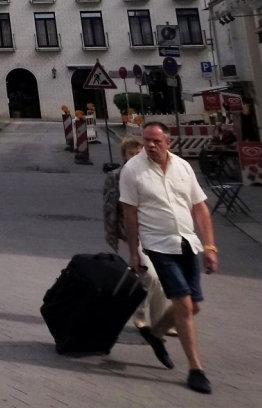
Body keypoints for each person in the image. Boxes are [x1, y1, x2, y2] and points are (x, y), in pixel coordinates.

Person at [121, 123, 219, 395]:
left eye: (156, 141)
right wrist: (133, 251)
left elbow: (200, 207)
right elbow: (129, 213)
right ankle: (196, 369)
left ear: (168, 142)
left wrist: (210, 247)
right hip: (157, 245)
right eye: (147, 141)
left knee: (194, 306)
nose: (151, 146)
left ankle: (154, 334)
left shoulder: (183, 167)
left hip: (187, 242)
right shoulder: (132, 170)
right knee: (185, 307)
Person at [104, 136, 174, 368]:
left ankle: (158, 322)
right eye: (130, 154)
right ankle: (143, 319)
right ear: (124, 155)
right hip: (134, 235)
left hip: (158, 232)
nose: (134, 157)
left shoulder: (152, 174)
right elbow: (109, 207)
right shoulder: (116, 177)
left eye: (138, 153)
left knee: (159, 279)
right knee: (151, 275)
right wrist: (112, 235)